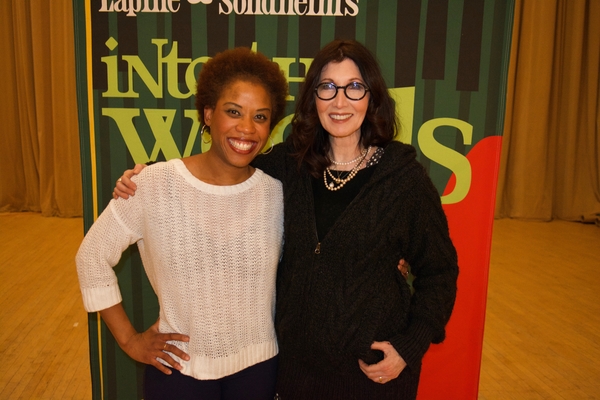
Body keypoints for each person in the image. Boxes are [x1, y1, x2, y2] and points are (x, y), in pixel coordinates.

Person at [115, 39, 458, 399]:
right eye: (328, 88)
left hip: (371, 378)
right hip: (295, 377)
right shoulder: (289, 165)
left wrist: (409, 346)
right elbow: (219, 172)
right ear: (313, 98)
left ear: (372, 97)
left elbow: (440, 271)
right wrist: (152, 176)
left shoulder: (404, 181)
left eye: (354, 87)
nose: (340, 101)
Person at [77, 47, 289, 400]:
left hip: (260, 370)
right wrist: (129, 340)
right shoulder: (152, 184)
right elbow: (91, 257)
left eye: (261, 117)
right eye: (233, 112)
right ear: (208, 113)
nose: (247, 129)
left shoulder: (277, 194)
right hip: (178, 373)